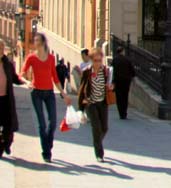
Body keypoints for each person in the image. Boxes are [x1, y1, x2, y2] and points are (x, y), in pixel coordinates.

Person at [20, 34, 71, 162]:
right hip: (36, 92)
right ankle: (46, 152)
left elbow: (55, 78)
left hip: (49, 93)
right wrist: (27, 82)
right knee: (42, 124)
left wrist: (63, 94)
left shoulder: (51, 58)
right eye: (34, 40)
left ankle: (48, 143)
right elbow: (22, 74)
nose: (35, 42)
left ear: (43, 42)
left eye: (37, 40)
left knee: (53, 122)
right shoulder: (31, 57)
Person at [78, 47, 112, 162]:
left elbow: (110, 84)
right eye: (96, 60)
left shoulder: (105, 71)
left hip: (102, 102)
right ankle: (99, 154)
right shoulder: (87, 71)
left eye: (100, 60)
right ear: (91, 60)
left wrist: (111, 86)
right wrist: (81, 109)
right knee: (96, 127)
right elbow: (82, 89)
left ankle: (97, 142)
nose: (98, 63)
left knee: (104, 128)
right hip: (90, 103)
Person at [0, 39, 24, 157]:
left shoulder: (8, 64)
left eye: (1, 48)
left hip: (6, 99)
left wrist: (24, 81)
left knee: (8, 126)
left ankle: (7, 144)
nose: (0, 50)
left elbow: (15, 78)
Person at [111, 47, 134, 120]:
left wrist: (112, 81)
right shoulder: (127, 59)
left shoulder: (115, 60)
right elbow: (132, 69)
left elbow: (112, 70)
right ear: (122, 51)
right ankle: (124, 113)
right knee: (125, 96)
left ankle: (121, 113)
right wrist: (131, 76)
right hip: (126, 81)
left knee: (119, 97)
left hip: (118, 80)